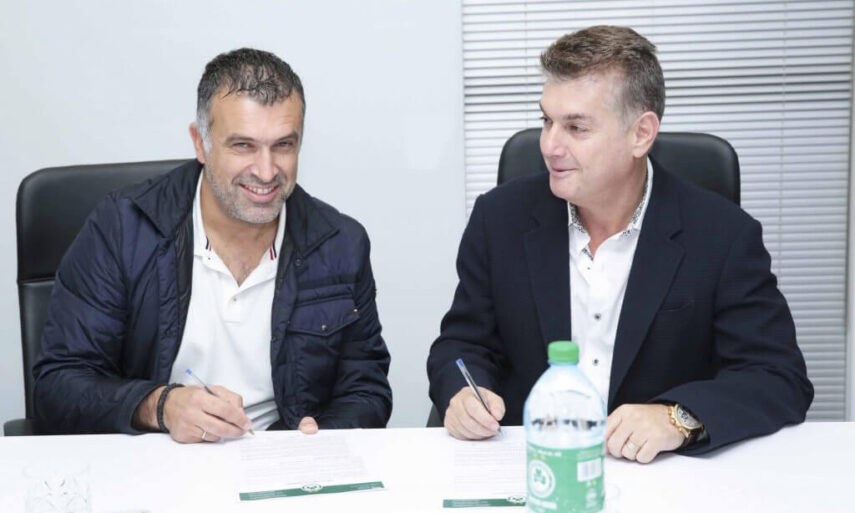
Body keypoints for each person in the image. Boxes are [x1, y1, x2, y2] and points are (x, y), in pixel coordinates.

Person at [427, 26, 813, 463]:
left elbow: (776, 376)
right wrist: (463, 393)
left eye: (576, 127)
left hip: (662, 474)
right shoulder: (499, 219)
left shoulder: (722, 235)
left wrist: (677, 418)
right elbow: (462, 345)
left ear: (641, 134)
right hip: (535, 466)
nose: (550, 145)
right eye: (547, 121)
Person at [33, 48, 392, 442]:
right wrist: (160, 405)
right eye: (243, 146)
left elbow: (366, 389)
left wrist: (322, 436)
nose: (266, 171)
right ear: (200, 144)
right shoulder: (123, 228)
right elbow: (58, 387)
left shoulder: (340, 244)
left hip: (281, 460)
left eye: (283, 146)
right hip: (158, 456)